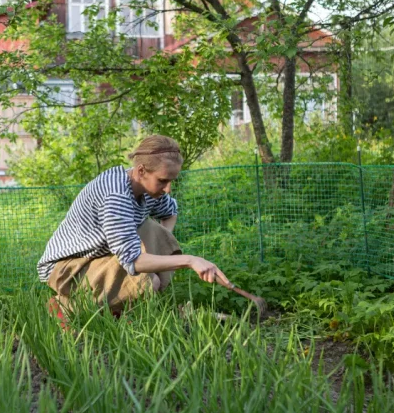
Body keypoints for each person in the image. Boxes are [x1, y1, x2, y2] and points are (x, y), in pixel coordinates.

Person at [37, 135, 265, 325]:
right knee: (148, 281)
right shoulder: (116, 196)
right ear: (141, 171)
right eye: (163, 181)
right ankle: (66, 306)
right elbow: (134, 262)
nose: (168, 189)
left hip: (99, 258)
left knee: (153, 230)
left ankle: (122, 311)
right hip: (68, 268)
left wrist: (165, 242)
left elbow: (170, 211)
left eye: (172, 181)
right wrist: (190, 260)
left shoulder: (145, 188)